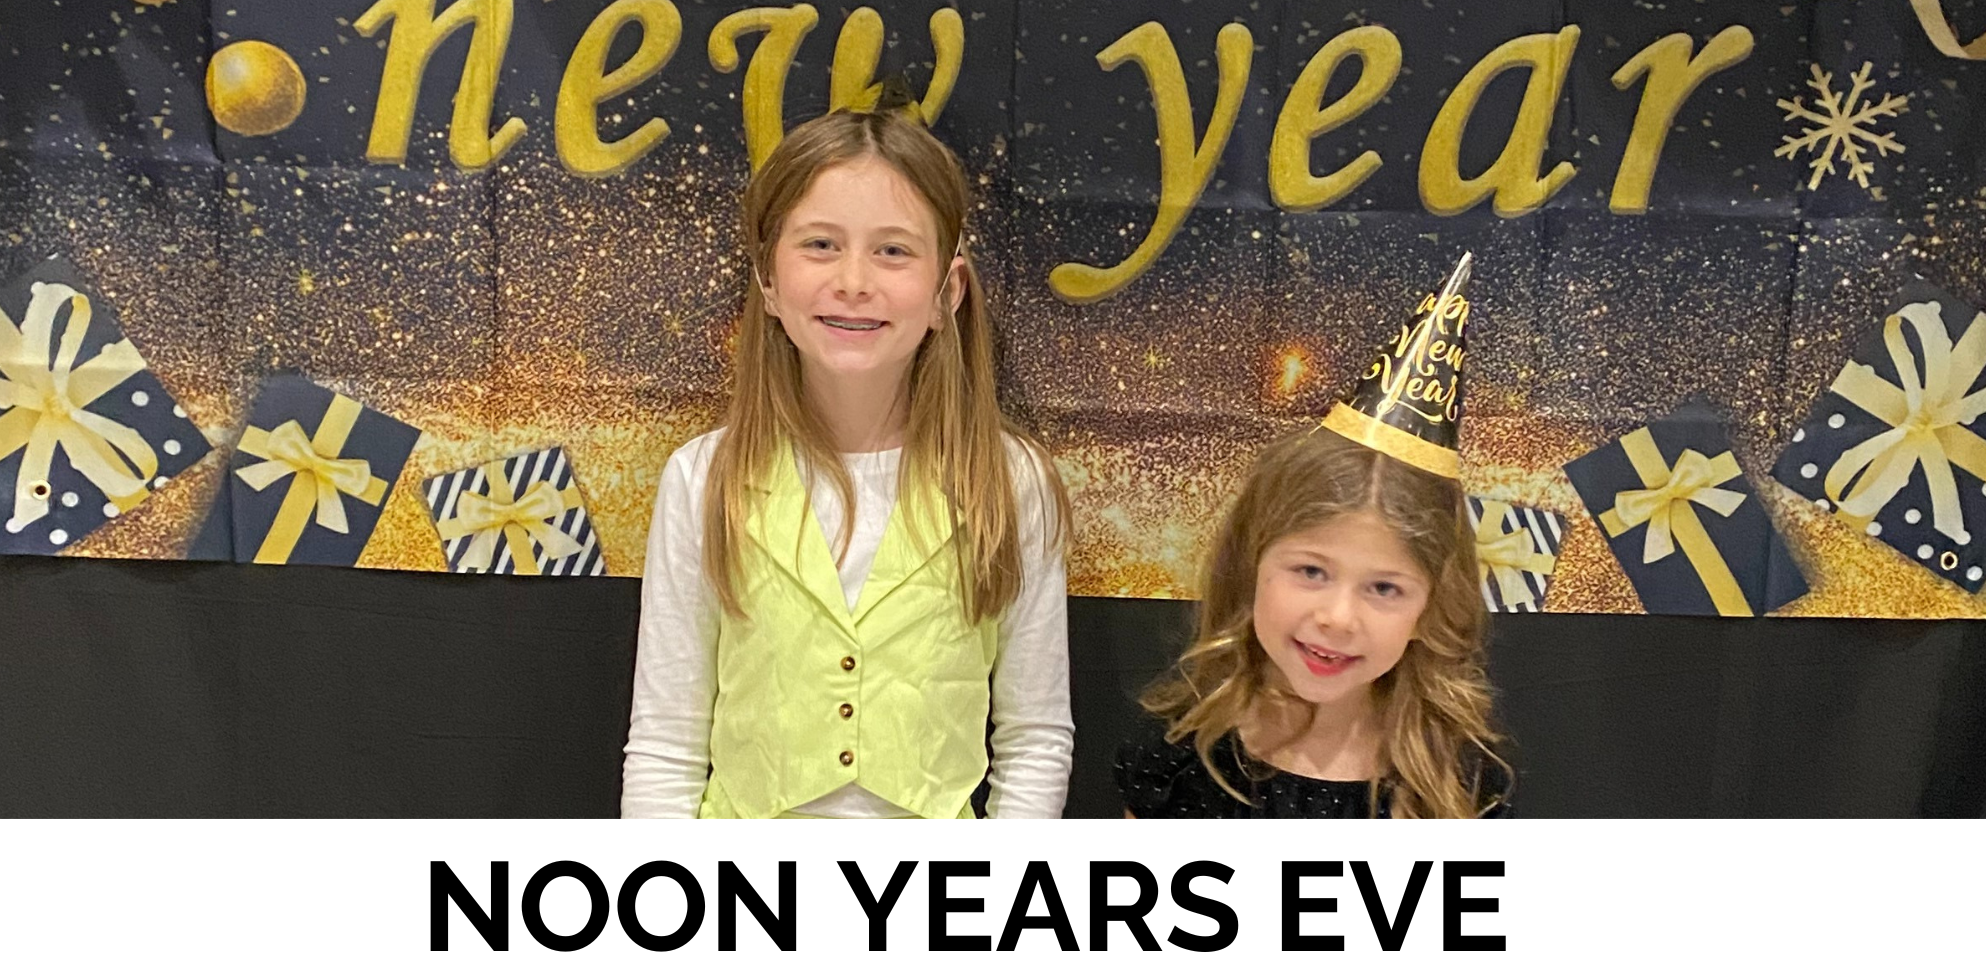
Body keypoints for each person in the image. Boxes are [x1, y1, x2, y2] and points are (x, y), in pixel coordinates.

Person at [621, 96, 1074, 819]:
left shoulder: (1010, 482)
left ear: (945, 291)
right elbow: (667, 743)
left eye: (893, 250)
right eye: (821, 245)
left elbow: (1034, 740)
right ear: (768, 281)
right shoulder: (704, 478)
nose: (854, 280)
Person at [1117, 256, 1512, 818]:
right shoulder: (1179, 764)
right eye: (1311, 571)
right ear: (1251, 564)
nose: (1338, 617)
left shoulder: (1461, 784)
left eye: (1384, 588)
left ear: (1431, 606)